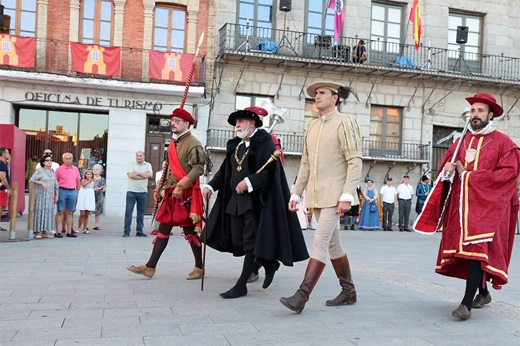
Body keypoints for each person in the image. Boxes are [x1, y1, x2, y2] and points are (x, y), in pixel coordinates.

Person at [415, 93, 520, 321]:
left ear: (490, 115)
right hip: (462, 211)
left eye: (480, 111)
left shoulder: (504, 143)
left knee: (476, 252)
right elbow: (446, 175)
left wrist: (471, 176)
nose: (475, 115)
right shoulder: (459, 143)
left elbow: (510, 174)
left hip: (488, 210)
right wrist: (448, 170)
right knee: (469, 255)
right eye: (473, 111)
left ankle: (466, 304)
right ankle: (482, 292)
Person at [202, 106, 309, 299]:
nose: (237, 125)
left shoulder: (264, 142)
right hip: (234, 201)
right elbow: (225, 171)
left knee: (250, 242)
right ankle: (269, 263)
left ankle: (241, 285)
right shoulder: (235, 145)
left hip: (256, 202)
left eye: (241, 121)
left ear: (252, 123)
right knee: (238, 241)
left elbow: (269, 172)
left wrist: (249, 182)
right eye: (236, 122)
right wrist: (211, 186)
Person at [280, 81, 362, 314]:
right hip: (317, 195)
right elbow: (305, 164)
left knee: (320, 241)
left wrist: (347, 194)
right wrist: (296, 192)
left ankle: (301, 296)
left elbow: (354, 160)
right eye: (315, 94)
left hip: (336, 195)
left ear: (335, 98)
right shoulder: (312, 126)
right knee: (334, 244)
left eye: (322, 93)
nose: (317, 97)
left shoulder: (346, 122)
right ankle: (349, 291)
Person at [127, 108, 207, 280]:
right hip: (170, 193)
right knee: (163, 228)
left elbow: (199, 168)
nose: (173, 123)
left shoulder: (194, 143)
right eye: (172, 120)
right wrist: (159, 187)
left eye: (177, 121)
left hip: (185, 194)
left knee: (190, 231)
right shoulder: (172, 143)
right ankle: (150, 267)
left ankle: (199, 267)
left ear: (187, 124)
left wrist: (181, 185)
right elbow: (167, 169)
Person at [123, 151, 152, 237]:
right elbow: (131, 175)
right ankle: (126, 231)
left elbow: (150, 175)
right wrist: (143, 175)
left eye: (140, 156)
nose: (138, 157)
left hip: (143, 192)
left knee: (141, 212)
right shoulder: (131, 164)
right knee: (128, 212)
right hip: (131, 191)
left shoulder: (148, 165)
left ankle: (139, 230)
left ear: (143, 156)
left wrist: (138, 173)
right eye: (137, 156)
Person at [29, 154, 58, 239]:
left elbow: (56, 183)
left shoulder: (52, 171)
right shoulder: (39, 170)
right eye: (47, 160)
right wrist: (41, 182)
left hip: (50, 195)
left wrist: (56, 194)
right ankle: (37, 231)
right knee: (40, 212)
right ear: (43, 162)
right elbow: (32, 179)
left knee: (48, 212)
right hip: (41, 195)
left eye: (51, 160)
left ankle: (44, 231)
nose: (49, 162)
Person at [55, 152, 81, 238]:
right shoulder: (59, 169)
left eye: (70, 159)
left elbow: (78, 180)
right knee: (60, 211)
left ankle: (69, 231)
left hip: (72, 191)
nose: (68, 161)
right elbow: (55, 181)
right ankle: (58, 231)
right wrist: (56, 193)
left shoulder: (75, 169)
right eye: (66, 159)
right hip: (62, 190)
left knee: (70, 211)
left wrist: (77, 191)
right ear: (63, 160)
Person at [0, 148, 12, 232]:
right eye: (7, 153)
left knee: (3, 206)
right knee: (1, 206)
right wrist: (8, 188)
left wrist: (8, 164)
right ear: (3, 154)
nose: (9, 155)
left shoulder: (4, 164)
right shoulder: (1, 164)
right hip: (2, 189)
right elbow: (3, 177)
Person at [92, 164, 106, 230]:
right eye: (94, 169)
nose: (95, 170)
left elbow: (104, 187)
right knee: (89, 210)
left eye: (97, 169)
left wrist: (103, 189)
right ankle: (85, 225)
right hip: (91, 195)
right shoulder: (91, 178)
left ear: (100, 171)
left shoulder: (102, 179)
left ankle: (96, 225)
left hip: (99, 195)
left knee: (98, 211)